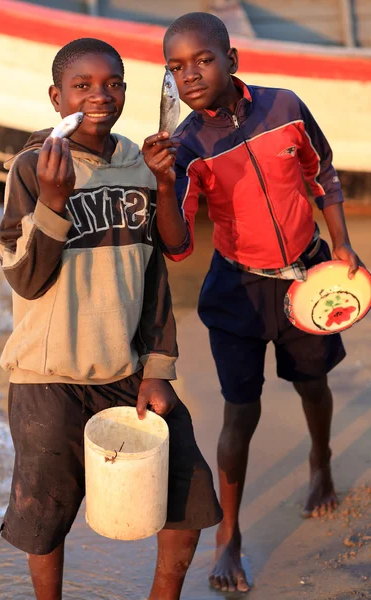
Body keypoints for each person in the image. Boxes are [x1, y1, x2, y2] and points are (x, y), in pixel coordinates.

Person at [142, 12, 362, 594]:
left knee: (313, 384)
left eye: (202, 60)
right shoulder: (185, 145)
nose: (189, 75)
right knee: (241, 410)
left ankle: (320, 461)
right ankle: (229, 534)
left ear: (232, 59)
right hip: (237, 290)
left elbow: (324, 174)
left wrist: (340, 244)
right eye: (175, 68)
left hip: (307, 278)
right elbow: (178, 244)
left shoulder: (285, 107)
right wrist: (163, 182)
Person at [0, 37, 222, 600]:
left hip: (127, 371)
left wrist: (159, 367)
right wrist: (52, 200)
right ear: (57, 97)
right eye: (83, 85)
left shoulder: (139, 164)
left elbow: (158, 270)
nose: (100, 95)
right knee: (45, 515)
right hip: (48, 377)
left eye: (114, 83)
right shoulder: (33, 167)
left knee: (187, 492)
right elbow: (25, 276)